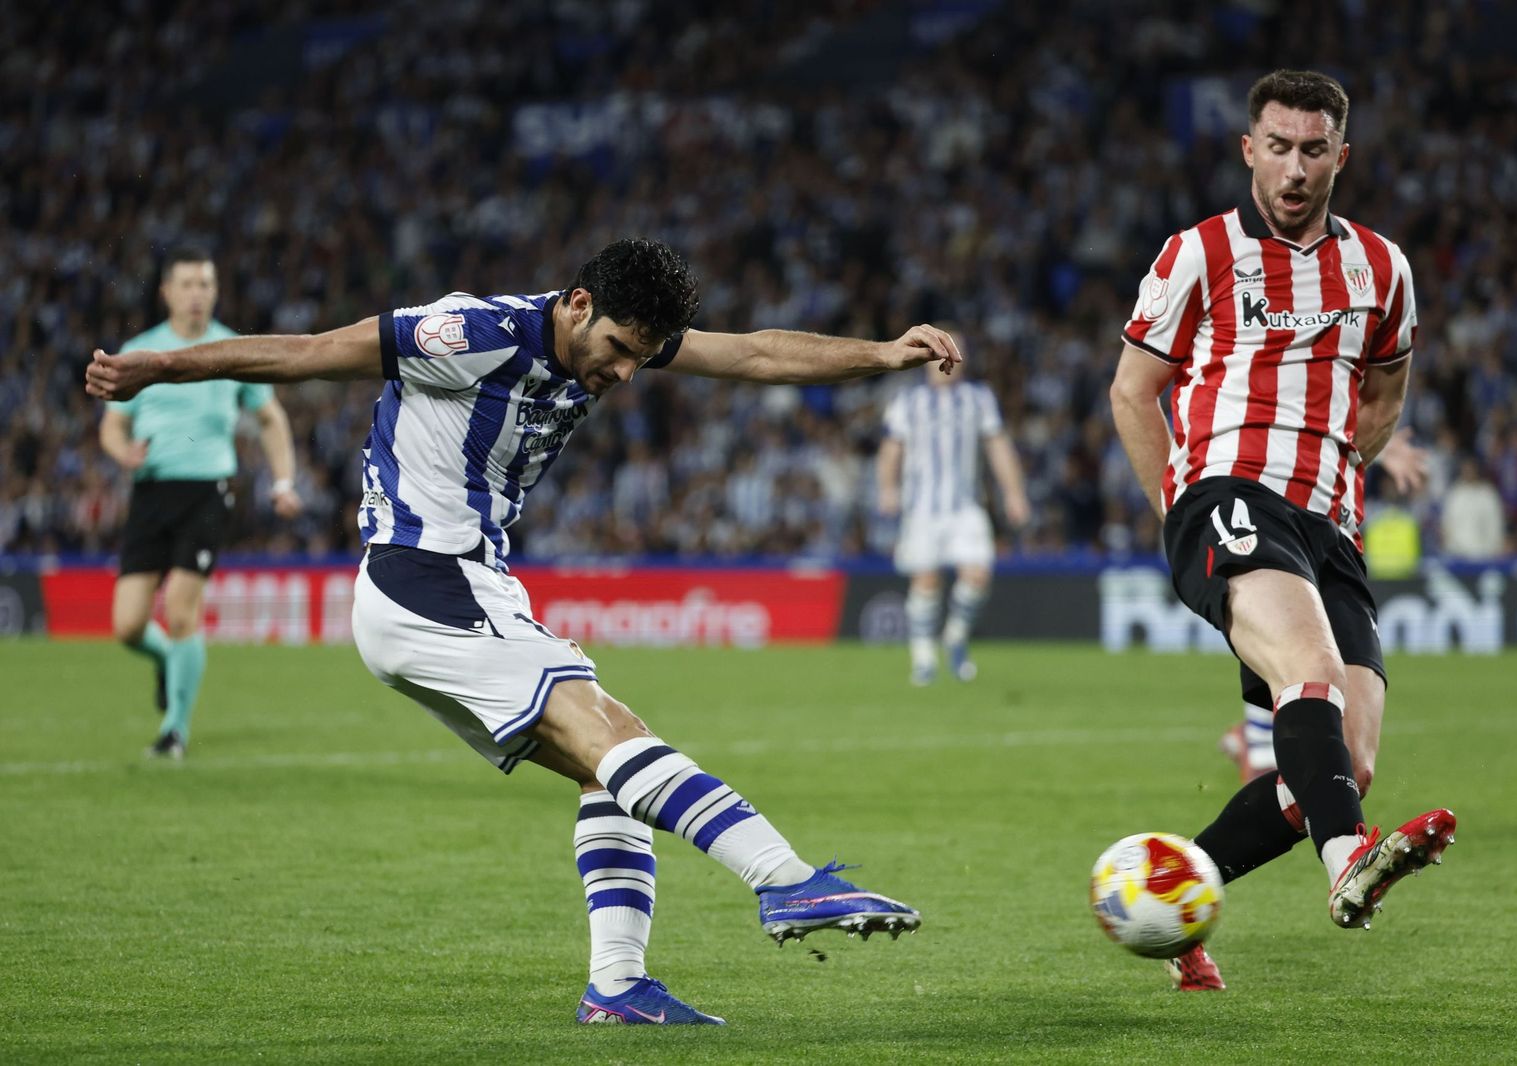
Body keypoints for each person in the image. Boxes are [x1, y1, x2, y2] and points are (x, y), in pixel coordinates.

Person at [87, 238, 946, 1025]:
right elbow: (310, 353)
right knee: (610, 737)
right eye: (615, 351)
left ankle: (617, 985)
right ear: (576, 305)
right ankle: (785, 879)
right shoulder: (471, 331)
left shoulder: (620, 335)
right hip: (427, 580)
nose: (621, 374)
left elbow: (757, 352)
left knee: (614, 764)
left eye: (641, 361)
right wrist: (159, 367)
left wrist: (882, 353)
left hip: (457, 589)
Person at [1109, 71, 1456, 992]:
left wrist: (1344, 465)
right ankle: (1349, 865)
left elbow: (1384, 393)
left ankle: (1173, 901)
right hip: (1230, 494)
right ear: (1248, 150)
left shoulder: (1382, 268)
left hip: (1330, 525)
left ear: (1340, 158)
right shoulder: (1200, 253)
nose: (1294, 168)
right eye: (1278, 147)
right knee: (1312, 675)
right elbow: (1132, 391)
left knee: (1344, 765)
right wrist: (1178, 510)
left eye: (1314, 151)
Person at [98, 248, 302, 760]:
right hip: (151, 492)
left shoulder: (231, 349)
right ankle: (171, 660)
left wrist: (283, 481)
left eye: (206, 285)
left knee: (182, 610)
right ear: (166, 292)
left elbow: (271, 418)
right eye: (187, 284)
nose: (197, 294)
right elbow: (112, 423)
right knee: (127, 624)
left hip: (208, 489)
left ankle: (174, 731)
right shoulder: (141, 351)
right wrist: (123, 452)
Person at [1219, 429, 1431, 782]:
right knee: (1287, 631)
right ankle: (1257, 732)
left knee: (1352, 766)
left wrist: (1382, 443)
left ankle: (1257, 732)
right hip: (1268, 513)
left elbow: (1341, 410)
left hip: (1334, 531)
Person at [875, 341, 1030, 684]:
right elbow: (890, 450)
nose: (945, 362)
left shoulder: (979, 398)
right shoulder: (907, 401)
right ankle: (923, 657)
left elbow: (998, 446)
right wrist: (887, 489)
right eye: (938, 356)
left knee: (977, 574)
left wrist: (1014, 493)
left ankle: (955, 638)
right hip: (921, 508)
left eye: (953, 355)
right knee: (926, 579)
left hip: (964, 506)